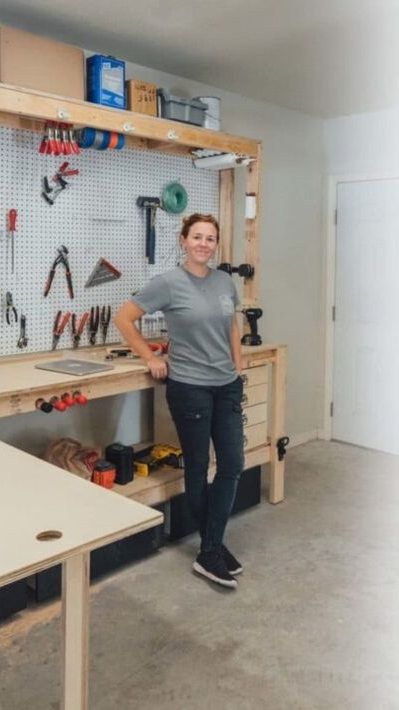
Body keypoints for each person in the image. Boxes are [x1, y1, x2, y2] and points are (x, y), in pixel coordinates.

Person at [115, 213, 245, 589]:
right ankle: (211, 551)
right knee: (198, 466)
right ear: (184, 240)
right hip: (190, 387)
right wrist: (151, 357)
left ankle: (211, 545)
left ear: (215, 244)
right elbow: (124, 319)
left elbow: (232, 325)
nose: (204, 244)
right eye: (198, 237)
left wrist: (237, 365)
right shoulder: (169, 283)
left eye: (211, 238)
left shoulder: (224, 282)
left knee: (233, 464)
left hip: (226, 385)